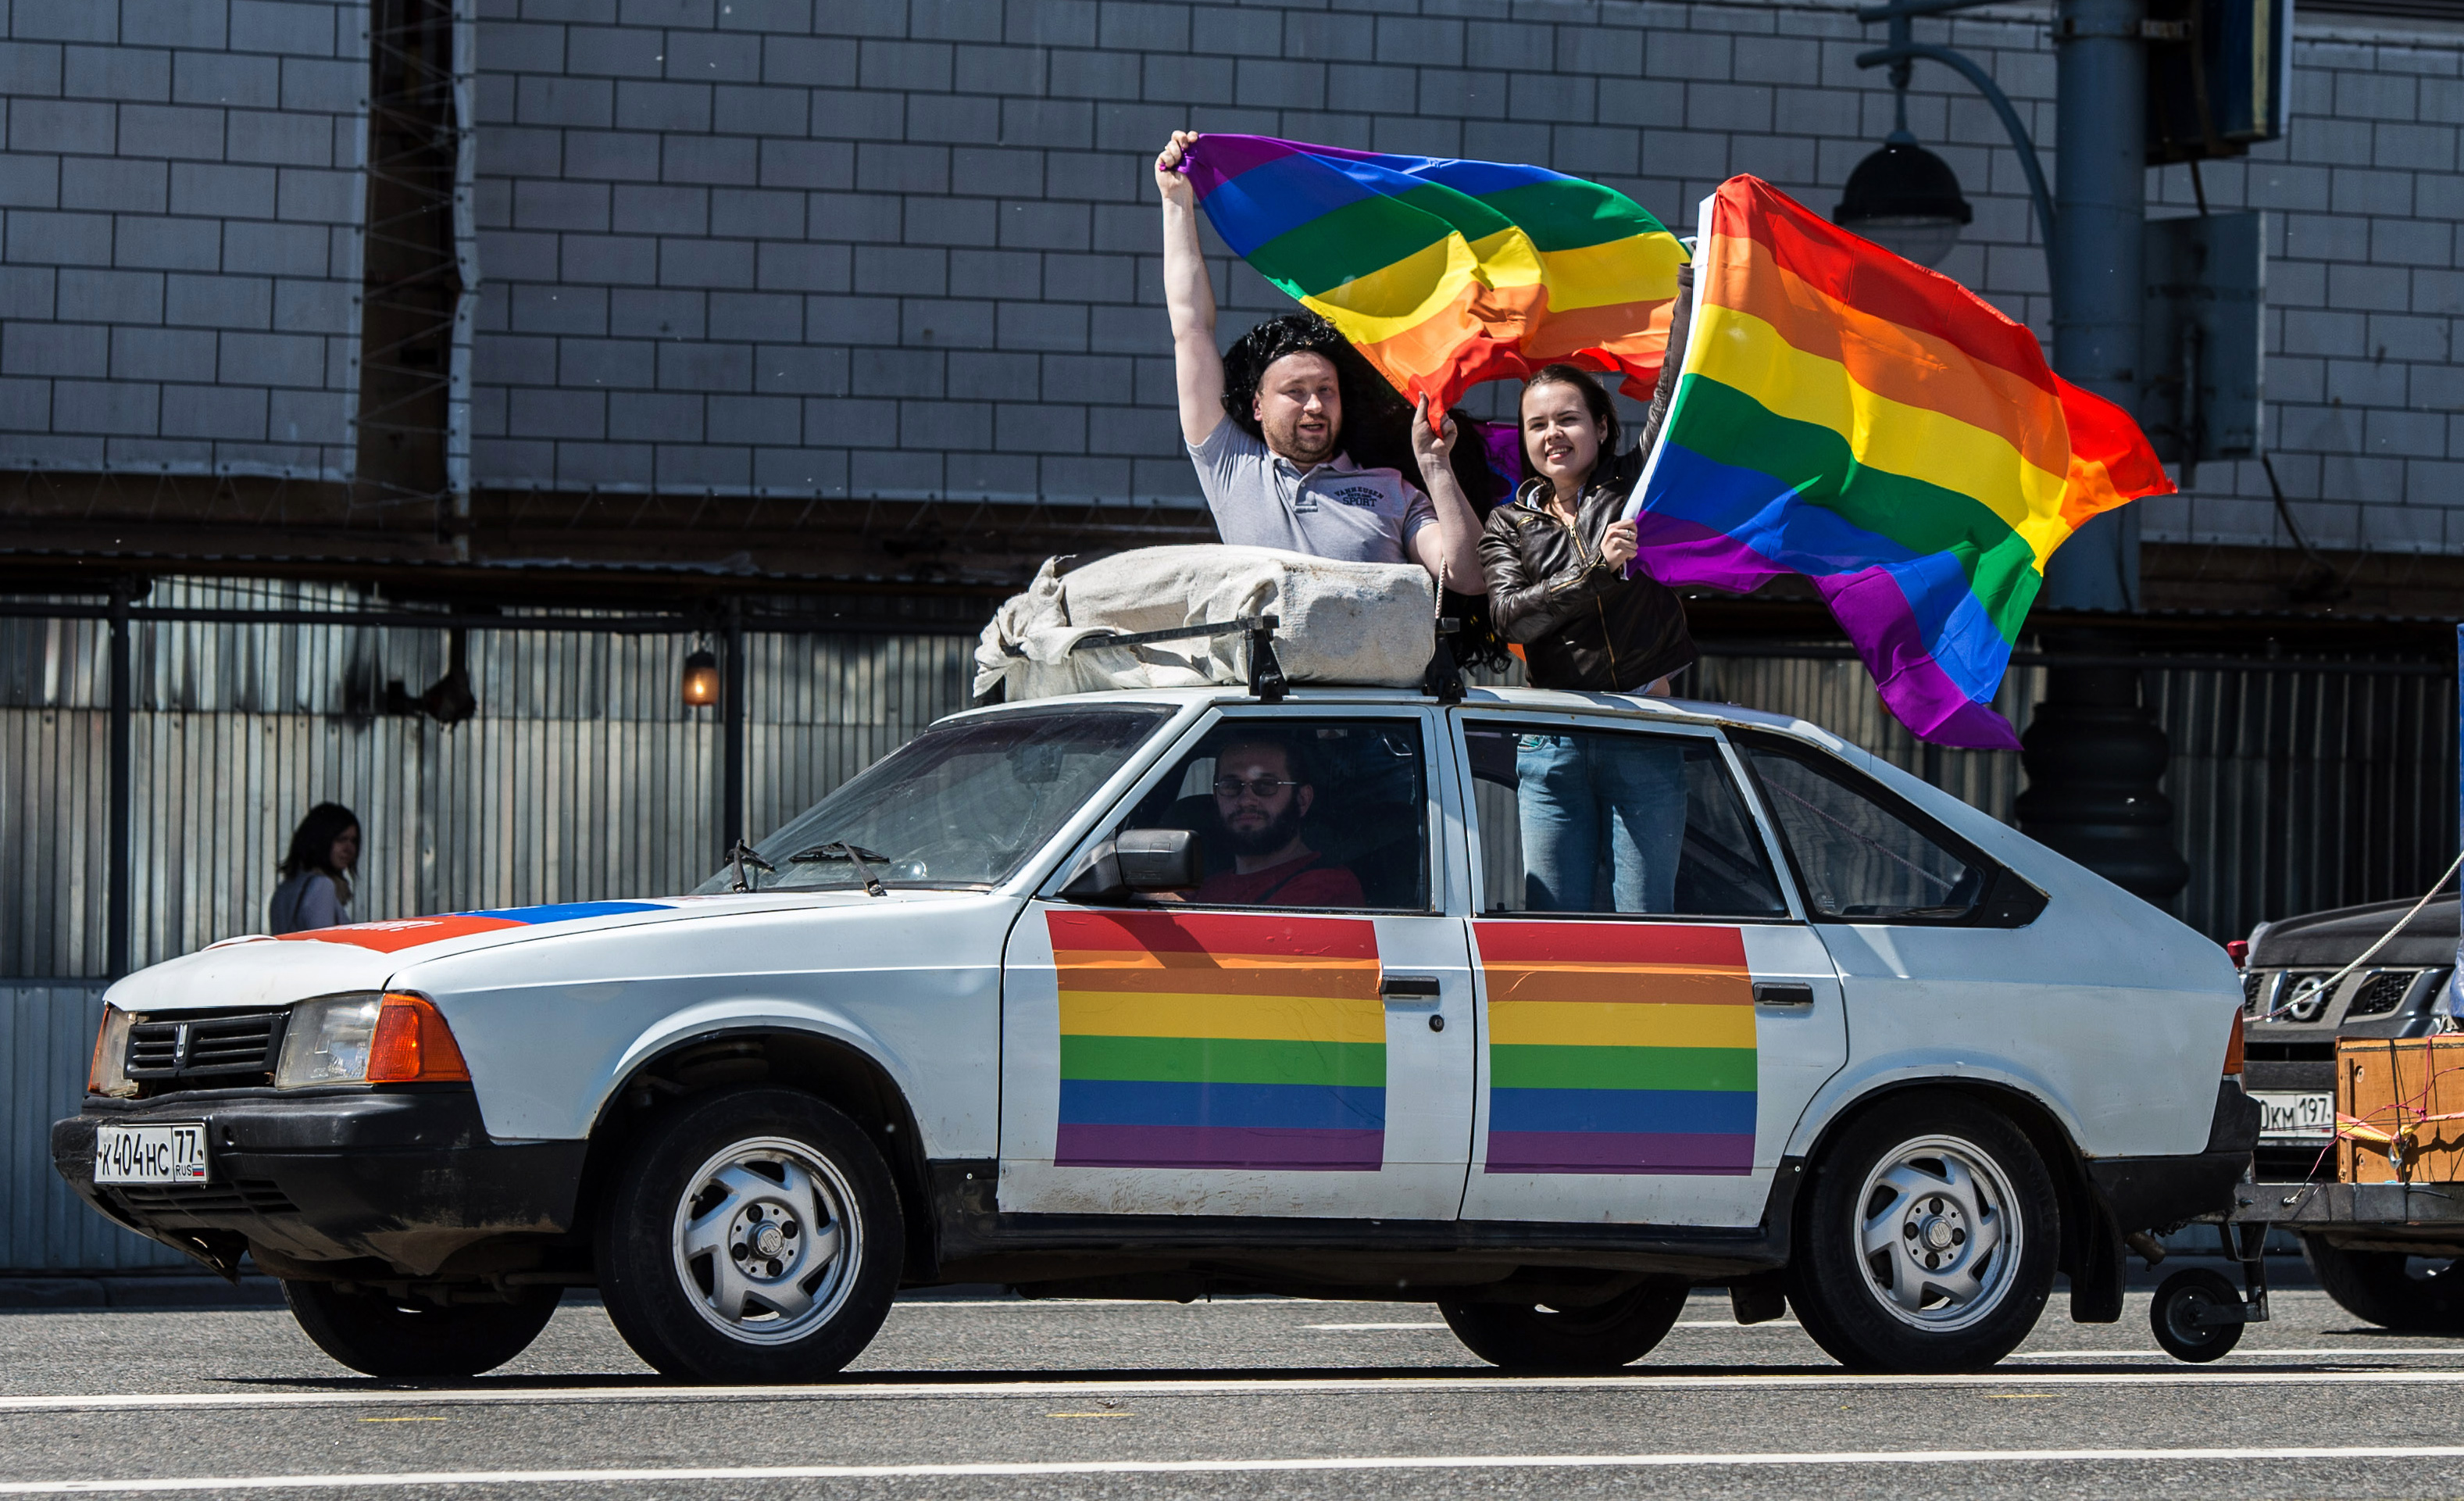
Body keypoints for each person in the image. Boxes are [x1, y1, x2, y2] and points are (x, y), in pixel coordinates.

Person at [1153, 130, 1486, 594]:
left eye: (1325, 390)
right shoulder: (1231, 466)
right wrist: (1176, 203)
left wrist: (1435, 467)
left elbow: (1471, 578)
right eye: (1295, 392)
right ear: (1257, 406)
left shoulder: (1393, 490)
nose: (1314, 405)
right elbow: (1191, 330)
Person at [1480, 364, 1698, 913]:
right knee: (1556, 925)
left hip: (1643, 726)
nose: (1552, 434)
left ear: (1602, 427)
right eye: (1537, 425)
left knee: (1646, 921)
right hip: (1553, 739)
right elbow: (1509, 618)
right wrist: (1597, 571)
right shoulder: (1507, 522)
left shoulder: (1638, 485)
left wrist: (1691, 307)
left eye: (1568, 419)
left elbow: (1674, 393)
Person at [1191, 735, 1364, 908]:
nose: (1245, 801)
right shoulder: (1203, 887)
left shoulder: (1327, 886)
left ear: (1302, 799)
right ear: (1216, 797)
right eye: (1231, 786)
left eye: (1266, 785)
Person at [269, 802, 360, 934]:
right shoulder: (322, 885)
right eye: (341, 840)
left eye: (353, 841)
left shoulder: (285, 888)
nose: (349, 848)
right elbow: (325, 941)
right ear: (321, 840)